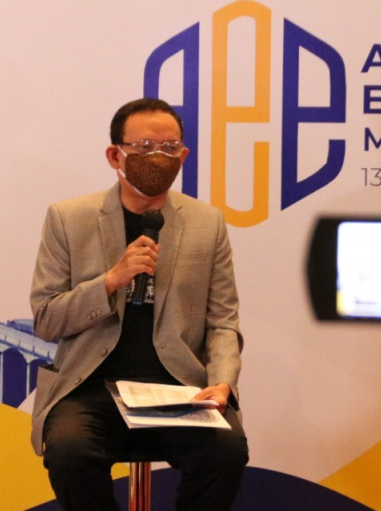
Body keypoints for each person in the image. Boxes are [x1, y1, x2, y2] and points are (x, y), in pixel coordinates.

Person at [29, 97, 248, 510]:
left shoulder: (207, 223)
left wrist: (222, 382)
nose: (157, 157)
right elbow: (46, 319)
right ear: (116, 155)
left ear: (183, 156)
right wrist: (110, 281)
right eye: (144, 147)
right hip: (89, 388)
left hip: (178, 389)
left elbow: (222, 321)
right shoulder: (68, 218)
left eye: (169, 148)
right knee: (69, 452)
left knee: (226, 450)